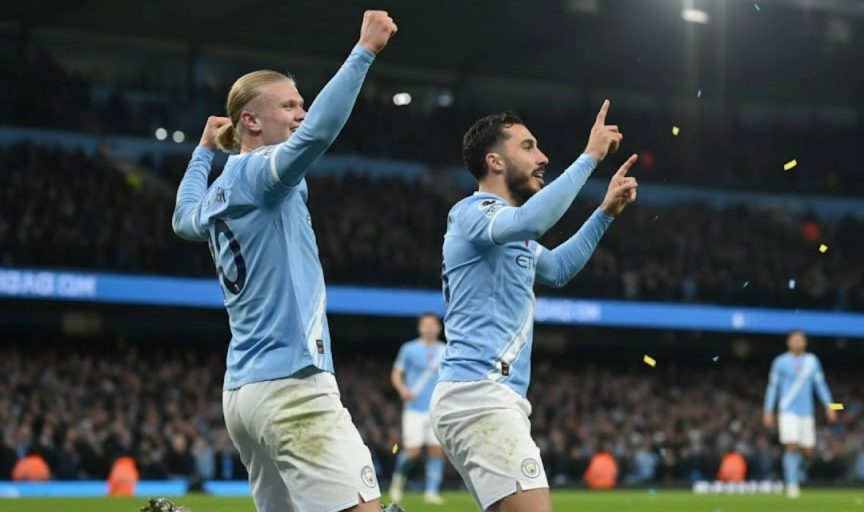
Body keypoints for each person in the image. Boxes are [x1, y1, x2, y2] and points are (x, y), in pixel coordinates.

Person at [167, 10, 399, 512]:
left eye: (302, 103)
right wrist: (363, 52)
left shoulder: (220, 192)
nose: (301, 113)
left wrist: (204, 153)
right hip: (293, 386)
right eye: (289, 105)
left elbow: (183, 219)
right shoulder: (258, 174)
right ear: (251, 121)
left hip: (244, 394)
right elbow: (318, 135)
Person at [430, 101, 639, 512]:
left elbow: (557, 269)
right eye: (528, 147)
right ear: (494, 162)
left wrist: (604, 214)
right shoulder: (473, 212)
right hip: (479, 395)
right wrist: (590, 157)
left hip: (490, 397)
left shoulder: (512, 233)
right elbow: (531, 222)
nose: (542, 157)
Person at [763, 330, 837, 499]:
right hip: (787, 410)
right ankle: (792, 484)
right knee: (791, 445)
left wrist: (831, 407)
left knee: (808, 451)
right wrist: (768, 410)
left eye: (800, 339)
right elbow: (773, 387)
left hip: (807, 412)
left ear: (805, 342)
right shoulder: (780, 362)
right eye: (794, 339)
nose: (797, 342)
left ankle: (798, 473)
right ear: (788, 342)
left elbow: (821, 385)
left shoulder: (812, 361)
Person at [389, 313, 447, 505]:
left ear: (439, 327)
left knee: (436, 450)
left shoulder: (445, 350)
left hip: (436, 408)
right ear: (420, 327)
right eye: (425, 325)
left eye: (432, 324)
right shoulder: (409, 349)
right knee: (412, 452)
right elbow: (396, 373)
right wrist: (402, 389)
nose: (429, 328)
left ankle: (431, 492)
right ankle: (397, 484)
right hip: (414, 408)